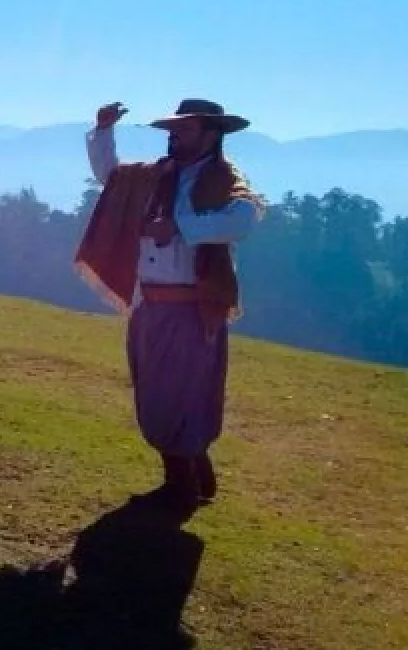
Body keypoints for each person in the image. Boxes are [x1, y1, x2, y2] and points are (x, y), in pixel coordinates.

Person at [75, 98, 262, 509]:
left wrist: (179, 227)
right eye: (174, 130)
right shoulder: (154, 175)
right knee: (153, 392)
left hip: (192, 309)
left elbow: (243, 219)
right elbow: (110, 176)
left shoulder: (224, 179)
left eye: (185, 130)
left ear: (211, 135)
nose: (174, 136)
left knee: (179, 396)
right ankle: (191, 467)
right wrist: (104, 131)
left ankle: (182, 482)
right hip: (148, 304)